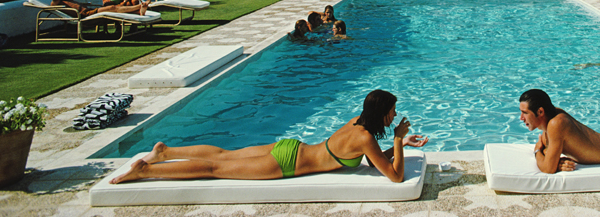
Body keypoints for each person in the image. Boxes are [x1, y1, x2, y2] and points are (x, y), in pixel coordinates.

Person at [110, 89, 429, 184]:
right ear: (383, 113)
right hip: (286, 164)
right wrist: (399, 141)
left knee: (222, 155)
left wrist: (394, 145)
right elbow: (395, 176)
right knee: (214, 170)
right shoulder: (364, 139)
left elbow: (374, 161)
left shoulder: (358, 125)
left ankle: (165, 151)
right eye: (393, 112)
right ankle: (146, 169)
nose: (395, 117)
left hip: (290, 147)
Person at [51, 0, 149, 18]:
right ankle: (140, 6)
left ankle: (138, 12)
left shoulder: (68, 0)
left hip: (89, 11)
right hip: (84, 15)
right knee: (112, 8)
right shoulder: (56, 2)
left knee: (114, 10)